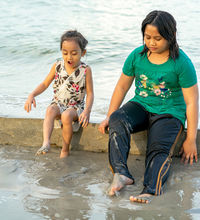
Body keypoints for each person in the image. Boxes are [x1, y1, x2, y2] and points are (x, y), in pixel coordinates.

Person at [98, 10, 198, 203]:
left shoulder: (182, 63)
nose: (151, 43)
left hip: (169, 113)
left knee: (157, 148)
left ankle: (150, 189)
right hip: (141, 105)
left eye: (158, 38)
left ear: (171, 36)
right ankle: (121, 173)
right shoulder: (137, 56)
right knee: (118, 119)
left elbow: (192, 101)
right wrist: (110, 115)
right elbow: (121, 86)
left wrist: (191, 138)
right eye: (147, 37)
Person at [24, 30, 94, 158]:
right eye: (65, 53)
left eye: (74, 53)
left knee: (66, 116)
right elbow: (45, 84)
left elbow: (90, 93)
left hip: (75, 106)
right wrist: (32, 94)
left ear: (83, 53)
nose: (69, 57)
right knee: (50, 109)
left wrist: (87, 111)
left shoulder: (85, 70)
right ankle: (46, 143)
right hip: (58, 103)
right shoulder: (57, 66)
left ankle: (65, 149)